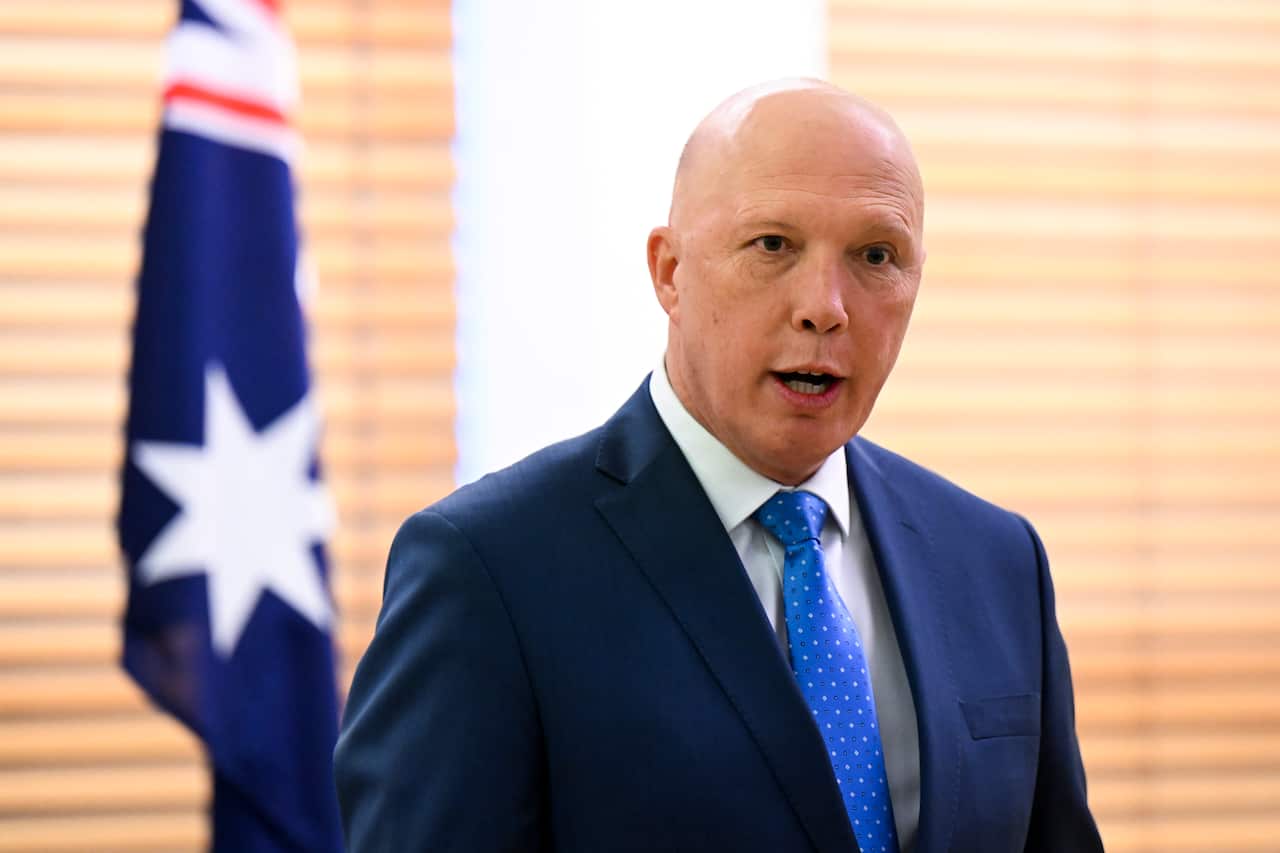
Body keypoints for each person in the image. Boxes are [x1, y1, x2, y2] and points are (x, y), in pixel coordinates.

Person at [334, 79, 1104, 853]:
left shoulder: (998, 560)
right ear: (670, 272)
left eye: (876, 255)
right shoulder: (488, 571)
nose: (825, 305)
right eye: (773, 245)